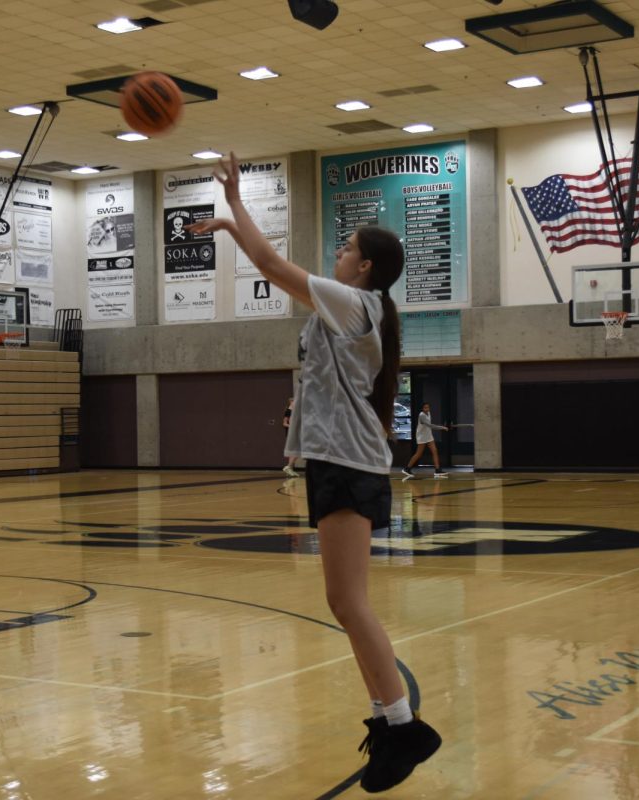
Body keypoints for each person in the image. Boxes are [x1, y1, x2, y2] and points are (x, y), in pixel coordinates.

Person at [187, 153, 440, 794]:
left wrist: (236, 207)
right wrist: (230, 222)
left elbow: (274, 267)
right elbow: (277, 272)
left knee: (350, 602)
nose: (340, 248)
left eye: (348, 245)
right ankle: (393, 721)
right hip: (339, 459)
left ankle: (403, 728)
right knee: (341, 600)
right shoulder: (351, 306)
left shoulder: (357, 303)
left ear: (367, 267)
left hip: (348, 462)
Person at [401, 403, 448, 479]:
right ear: (422, 409)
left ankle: (437, 470)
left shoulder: (428, 413)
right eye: (425, 407)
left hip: (428, 435)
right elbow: (430, 426)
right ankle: (407, 468)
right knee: (418, 454)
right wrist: (442, 427)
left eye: (428, 407)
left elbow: (429, 426)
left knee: (434, 451)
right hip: (421, 437)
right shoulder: (422, 415)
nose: (427, 409)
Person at [281, 397, 298, 477]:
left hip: (294, 432)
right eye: (294, 401)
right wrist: (291, 426)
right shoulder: (288, 411)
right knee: (296, 450)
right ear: (291, 402)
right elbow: (284, 423)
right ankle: (289, 467)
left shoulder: (294, 412)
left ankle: (290, 468)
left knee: (294, 451)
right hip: (290, 433)